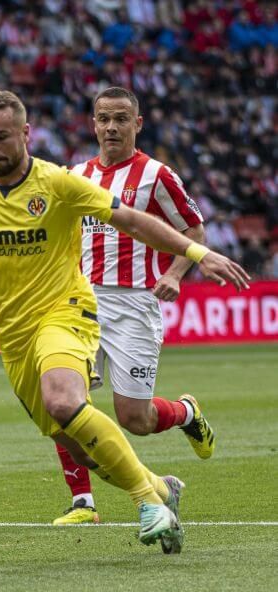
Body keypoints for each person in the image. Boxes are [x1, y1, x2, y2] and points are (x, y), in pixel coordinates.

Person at [0, 91, 249, 554]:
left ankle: (142, 502)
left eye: (1, 137)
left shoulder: (60, 182)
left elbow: (134, 221)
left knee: (75, 402)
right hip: (14, 335)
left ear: (25, 133)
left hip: (74, 309)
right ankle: (159, 488)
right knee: (79, 441)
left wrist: (194, 256)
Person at [52, 87, 215, 526]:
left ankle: (186, 413)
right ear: (93, 124)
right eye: (103, 118)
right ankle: (83, 503)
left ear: (137, 124)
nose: (111, 127)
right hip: (79, 303)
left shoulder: (157, 176)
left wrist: (175, 274)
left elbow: (195, 233)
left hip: (134, 305)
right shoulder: (77, 174)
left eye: (121, 118)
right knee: (64, 399)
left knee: (134, 419)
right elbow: (43, 218)